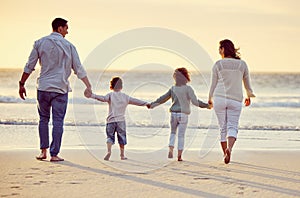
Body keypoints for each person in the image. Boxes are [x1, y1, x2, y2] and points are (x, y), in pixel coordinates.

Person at [18, 18, 92, 162]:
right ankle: (54, 154)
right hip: (60, 89)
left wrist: (22, 83)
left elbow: (29, 65)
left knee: (43, 119)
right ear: (59, 28)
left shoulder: (39, 43)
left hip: (44, 88)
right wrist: (88, 85)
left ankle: (43, 152)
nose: (67, 31)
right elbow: (79, 69)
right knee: (58, 121)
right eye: (66, 28)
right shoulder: (69, 46)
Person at [148, 67, 211, 161]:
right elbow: (195, 102)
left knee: (173, 132)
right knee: (181, 135)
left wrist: (152, 104)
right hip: (183, 115)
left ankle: (170, 148)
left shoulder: (173, 88)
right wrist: (207, 105)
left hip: (173, 114)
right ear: (186, 77)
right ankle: (179, 156)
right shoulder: (188, 89)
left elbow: (163, 98)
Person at [208, 39, 255, 164]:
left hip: (219, 98)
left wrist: (209, 98)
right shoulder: (242, 64)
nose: (219, 51)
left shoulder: (218, 64)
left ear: (223, 49)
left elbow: (213, 84)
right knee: (232, 126)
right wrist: (248, 95)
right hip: (235, 99)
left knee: (222, 127)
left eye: (219, 48)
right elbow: (247, 83)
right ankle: (229, 148)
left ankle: (225, 154)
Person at [84, 77, 149, 161]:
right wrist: (146, 103)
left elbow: (102, 98)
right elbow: (136, 101)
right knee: (122, 138)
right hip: (121, 121)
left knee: (109, 137)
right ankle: (122, 155)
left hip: (110, 121)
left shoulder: (110, 95)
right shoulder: (125, 97)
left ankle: (109, 151)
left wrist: (92, 95)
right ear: (121, 87)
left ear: (111, 87)